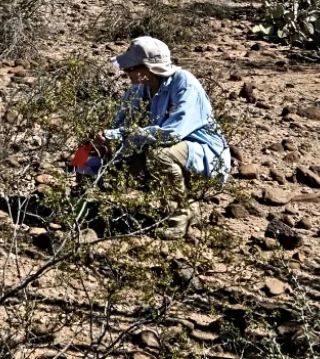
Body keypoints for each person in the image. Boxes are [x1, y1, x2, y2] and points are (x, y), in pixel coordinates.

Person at [76, 36, 232, 240]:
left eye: (130, 68)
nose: (125, 72)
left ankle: (181, 216)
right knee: (87, 149)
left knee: (160, 155)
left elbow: (172, 133)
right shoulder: (139, 89)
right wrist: (98, 148)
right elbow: (119, 126)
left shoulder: (184, 84)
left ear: (147, 68)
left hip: (205, 155)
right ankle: (77, 200)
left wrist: (114, 136)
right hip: (164, 149)